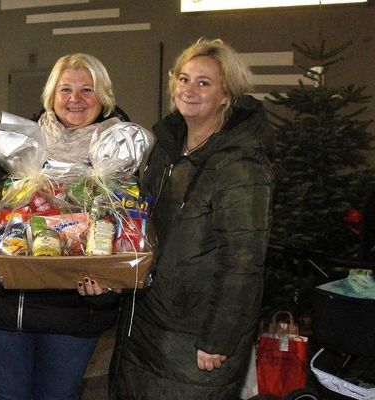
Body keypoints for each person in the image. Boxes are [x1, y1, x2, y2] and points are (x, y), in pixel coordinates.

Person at [108, 38, 274, 399]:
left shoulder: (240, 164)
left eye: (204, 83)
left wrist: (219, 337)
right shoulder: (165, 147)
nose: (190, 90)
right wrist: (110, 272)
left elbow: (243, 264)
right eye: (184, 79)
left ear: (226, 95)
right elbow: (140, 226)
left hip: (195, 335)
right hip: (146, 321)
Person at [0, 53, 129, 400]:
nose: (75, 99)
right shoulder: (17, 145)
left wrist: (108, 280)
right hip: (9, 310)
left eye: (87, 89)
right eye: (65, 89)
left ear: (105, 97)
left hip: (75, 316)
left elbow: (128, 231)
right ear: (51, 96)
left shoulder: (120, 156)